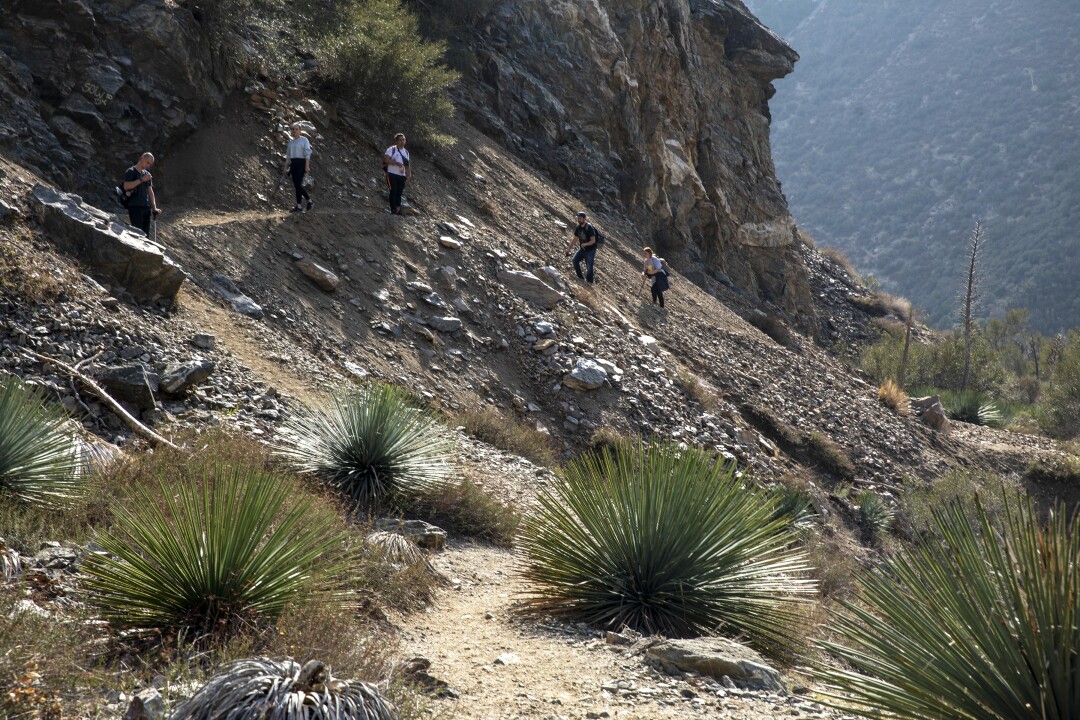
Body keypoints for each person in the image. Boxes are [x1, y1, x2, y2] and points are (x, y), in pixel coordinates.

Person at [121, 152, 160, 237]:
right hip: (135, 207)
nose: (148, 165)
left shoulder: (147, 174)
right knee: (137, 235)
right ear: (142, 158)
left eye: (150, 164)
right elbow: (126, 186)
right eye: (147, 162)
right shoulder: (131, 171)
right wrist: (142, 179)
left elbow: (150, 191)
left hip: (146, 208)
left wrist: (154, 208)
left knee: (146, 236)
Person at [282, 123, 313, 213]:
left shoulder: (304, 140)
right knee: (296, 185)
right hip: (293, 164)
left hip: (301, 163)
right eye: (293, 129)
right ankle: (302, 204)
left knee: (298, 184)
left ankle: (307, 202)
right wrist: (285, 167)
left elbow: (307, 153)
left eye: (296, 129)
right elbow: (288, 157)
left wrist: (307, 166)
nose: (294, 131)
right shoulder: (290, 143)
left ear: (300, 131)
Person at [564, 211, 598, 283]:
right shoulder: (578, 228)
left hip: (591, 250)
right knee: (574, 260)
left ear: (584, 219)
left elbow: (593, 241)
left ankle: (589, 283)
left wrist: (585, 244)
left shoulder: (589, 227)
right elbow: (575, 239)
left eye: (580, 218)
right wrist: (569, 249)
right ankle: (581, 278)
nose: (579, 220)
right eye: (578, 218)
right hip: (582, 249)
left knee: (589, 268)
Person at [383, 132, 411, 215]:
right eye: (400, 140)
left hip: (402, 176)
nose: (402, 141)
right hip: (392, 174)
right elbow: (386, 160)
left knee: (399, 193)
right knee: (393, 191)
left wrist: (408, 175)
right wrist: (396, 163)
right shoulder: (392, 149)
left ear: (405, 141)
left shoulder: (406, 152)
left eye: (403, 140)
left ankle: (398, 210)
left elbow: (407, 165)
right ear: (396, 141)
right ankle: (393, 210)